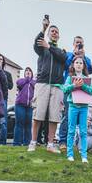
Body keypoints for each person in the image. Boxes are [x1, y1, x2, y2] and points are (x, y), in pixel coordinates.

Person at [30, 19, 68, 152]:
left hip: (57, 86)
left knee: (54, 116)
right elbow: (36, 43)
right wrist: (43, 28)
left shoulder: (62, 51)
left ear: (59, 36)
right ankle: (33, 142)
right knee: (38, 114)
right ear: (48, 33)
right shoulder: (42, 48)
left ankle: (50, 145)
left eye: (56, 32)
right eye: (52, 31)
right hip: (42, 83)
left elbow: (63, 59)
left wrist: (50, 47)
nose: (54, 33)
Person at [62, 55, 92, 162]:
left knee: (83, 132)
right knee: (71, 131)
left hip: (84, 107)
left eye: (81, 63)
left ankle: (84, 156)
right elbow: (65, 89)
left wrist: (83, 86)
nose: (79, 65)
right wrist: (74, 85)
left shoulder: (87, 78)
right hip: (73, 106)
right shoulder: (69, 77)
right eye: (77, 63)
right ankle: (69, 154)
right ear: (73, 65)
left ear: (83, 65)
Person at [13, 67, 35, 146]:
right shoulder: (20, 80)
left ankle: (27, 143)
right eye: (26, 71)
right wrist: (28, 78)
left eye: (29, 71)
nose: (28, 72)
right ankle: (17, 143)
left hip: (30, 106)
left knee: (28, 124)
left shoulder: (34, 82)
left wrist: (31, 79)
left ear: (32, 73)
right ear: (24, 73)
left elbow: (36, 87)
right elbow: (19, 83)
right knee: (19, 124)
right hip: (20, 105)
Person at [0, 53, 12, 144]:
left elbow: (11, 86)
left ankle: (2, 143)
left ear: (3, 62)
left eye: (1, 59)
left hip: (3, 99)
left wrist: (2, 75)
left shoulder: (7, 74)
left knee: (3, 122)